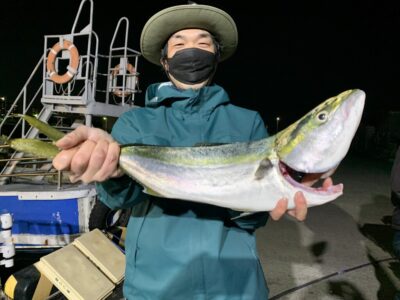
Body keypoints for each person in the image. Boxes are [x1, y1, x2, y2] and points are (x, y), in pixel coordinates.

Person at [53, 4, 334, 299]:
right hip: (156, 284)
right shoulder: (136, 121)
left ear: (215, 57)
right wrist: (111, 171)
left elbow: (252, 219)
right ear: (165, 60)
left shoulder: (246, 121)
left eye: (203, 43)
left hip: (233, 284)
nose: (192, 50)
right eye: (179, 43)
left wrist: (272, 195)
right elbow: (122, 197)